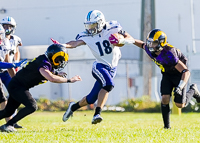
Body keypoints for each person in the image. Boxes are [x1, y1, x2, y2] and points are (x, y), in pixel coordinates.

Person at [51, 10, 135, 124]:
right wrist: (62, 45)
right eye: (88, 25)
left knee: (91, 98)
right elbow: (75, 43)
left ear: (100, 22)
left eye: (93, 25)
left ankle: (73, 107)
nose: (90, 28)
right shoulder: (86, 35)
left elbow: (130, 38)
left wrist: (121, 40)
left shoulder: (113, 26)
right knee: (109, 84)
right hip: (99, 65)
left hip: (112, 67)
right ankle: (97, 114)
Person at [111, 28, 200, 129]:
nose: (150, 45)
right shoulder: (149, 49)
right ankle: (167, 127)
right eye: (150, 42)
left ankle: (193, 90)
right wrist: (126, 36)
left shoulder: (169, 54)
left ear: (161, 43)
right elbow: (141, 44)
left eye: (154, 43)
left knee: (180, 104)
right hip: (167, 74)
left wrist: (180, 87)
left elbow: (186, 71)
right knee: (165, 98)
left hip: (179, 75)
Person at [0, 44, 82, 132]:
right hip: (18, 86)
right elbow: (51, 78)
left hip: (17, 85)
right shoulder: (44, 63)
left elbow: (47, 71)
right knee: (32, 106)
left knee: (7, 112)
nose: (59, 63)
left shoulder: (45, 61)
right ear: (51, 56)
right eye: (58, 60)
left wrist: (56, 73)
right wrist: (69, 80)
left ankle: (9, 124)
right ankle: (9, 124)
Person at [0, 16, 23, 128]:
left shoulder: (14, 40)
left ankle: (12, 120)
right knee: (1, 98)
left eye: (9, 26)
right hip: (4, 69)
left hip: (6, 71)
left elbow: (15, 53)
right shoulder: (3, 42)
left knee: (15, 93)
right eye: (4, 26)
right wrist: (13, 65)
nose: (6, 28)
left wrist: (15, 64)